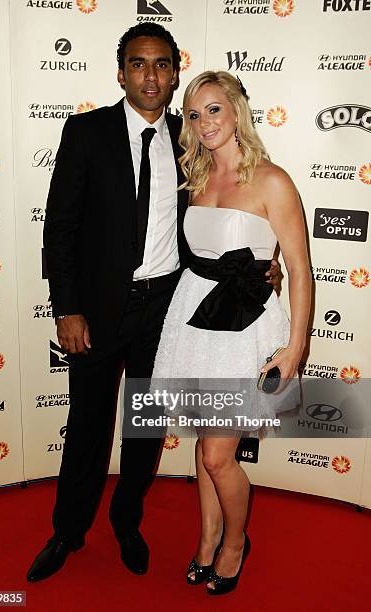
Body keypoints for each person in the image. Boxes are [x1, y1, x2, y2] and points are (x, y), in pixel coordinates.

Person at [27, 23, 278, 583]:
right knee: (88, 423)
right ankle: (68, 531)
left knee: (142, 428)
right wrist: (66, 307)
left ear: (174, 73)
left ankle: (126, 524)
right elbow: (60, 229)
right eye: (139, 64)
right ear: (121, 73)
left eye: (162, 64)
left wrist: (264, 262)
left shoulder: (190, 142)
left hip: (164, 311)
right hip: (93, 311)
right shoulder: (85, 133)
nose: (150, 74)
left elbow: (222, 218)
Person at [151, 71, 311, 595]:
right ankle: (206, 539)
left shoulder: (272, 180)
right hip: (193, 321)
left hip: (246, 328)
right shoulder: (192, 178)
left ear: (237, 110)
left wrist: (295, 347)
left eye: (214, 110)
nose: (204, 123)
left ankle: (236, 543)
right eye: (194, 115)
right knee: (203, 445)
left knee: (220, 455)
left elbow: (299, 268)